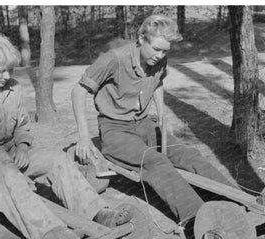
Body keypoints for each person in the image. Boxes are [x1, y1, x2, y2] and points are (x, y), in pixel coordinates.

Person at [0, 30, 133, 239]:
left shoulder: (14, 89)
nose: (6, 76)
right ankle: (52, 234)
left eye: (10, 70)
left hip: (10, 150)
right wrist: (12, 166)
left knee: (55, 158)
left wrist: (24, 146)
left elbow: (22, 126)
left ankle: (98, 212)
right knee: (6, 177)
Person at [71, 15, 234, 226]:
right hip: (115, 131)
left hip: (144, 124)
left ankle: (238, 200)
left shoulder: (158, 60)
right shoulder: (114, 59)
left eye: (165, 51)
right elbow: (78, 92)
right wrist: (84, 138)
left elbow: (157, 82)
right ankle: (198, 219)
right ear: (141, 39)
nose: (160, 55)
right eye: (156, 49)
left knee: (187, 154)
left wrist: (163, 115)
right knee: (155, 161)